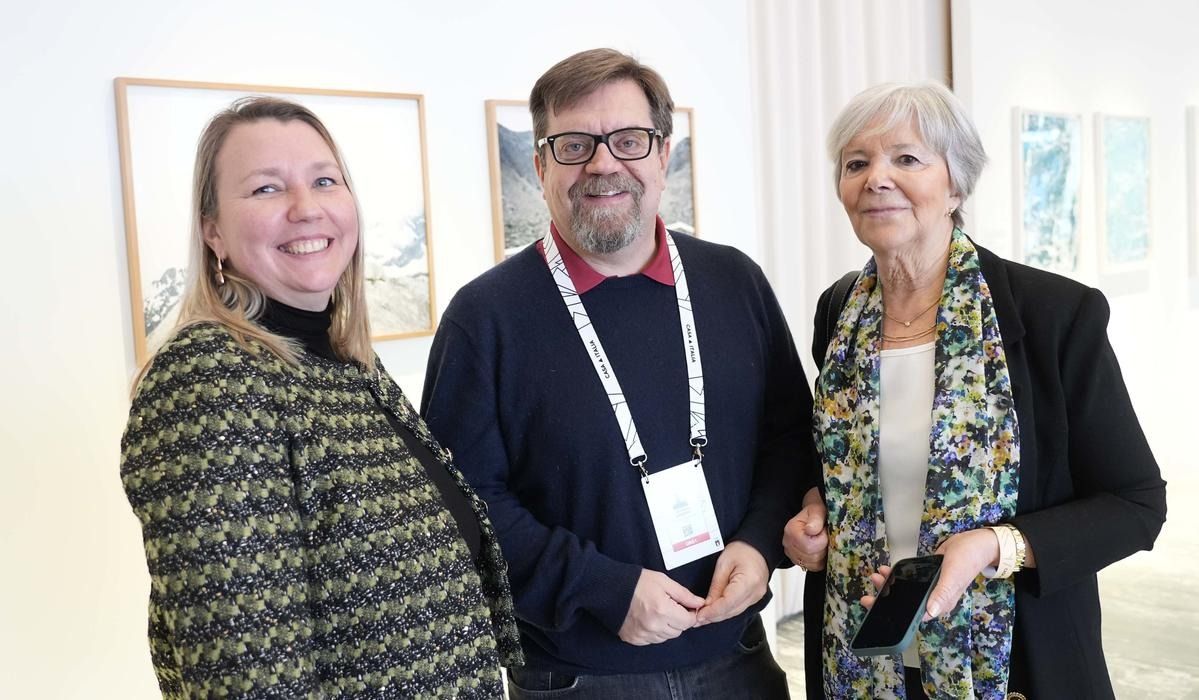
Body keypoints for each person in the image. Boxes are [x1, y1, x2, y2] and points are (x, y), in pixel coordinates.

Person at [421, 48, 814, 698]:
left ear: (663, 154)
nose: (604, 164)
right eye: (575, 145)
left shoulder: (733, 283)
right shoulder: (484, 317)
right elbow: (462, 505)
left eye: (628, 140)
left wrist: (756, 542)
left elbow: (788, 440)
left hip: (739, 660)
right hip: (578, 678)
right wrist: (603, 589)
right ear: (541, 165)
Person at [119, 96, 521, 698]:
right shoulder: (209, 379)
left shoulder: (345, 361)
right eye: (266, 189)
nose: (306, 208)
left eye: (324, 181)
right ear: (213, 232)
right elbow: (251, 677)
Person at [783, 81, 1167, 699]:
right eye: (856, 163)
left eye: (906, 158)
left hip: (1015, 664)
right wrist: (812, 508)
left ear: (956, 186)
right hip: (862, 656)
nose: (877, 178)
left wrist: (994, 546)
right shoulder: (839, 312)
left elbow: (1137, 503)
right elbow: (832, 463)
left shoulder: (1054, 313)